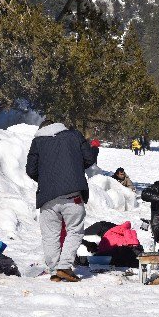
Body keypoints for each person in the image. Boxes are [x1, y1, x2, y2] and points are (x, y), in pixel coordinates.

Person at [25, 119, 99, 282]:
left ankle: (54, 269)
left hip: (47, 197)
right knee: (74, 230)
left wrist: (46, 180)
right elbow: (88, 160)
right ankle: (64, 266)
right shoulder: (74, 135)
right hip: (72, 194)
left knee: (50, 234)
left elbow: (31, 170)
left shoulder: (37, 141)